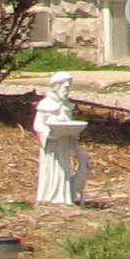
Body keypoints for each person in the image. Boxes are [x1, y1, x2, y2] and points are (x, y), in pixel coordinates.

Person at [33, 70, 90, 206]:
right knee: (51, 169)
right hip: (51, 145)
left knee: (63, 169)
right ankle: (48, 197)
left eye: (68, 88)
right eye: (65, 87)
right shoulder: (46, 104)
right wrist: (48, 133)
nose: (67, 91)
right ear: (57, 86)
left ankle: (63, 197)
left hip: (63, 143)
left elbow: (69, 123)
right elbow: (38, 125)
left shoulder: (66, 105)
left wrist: (73, 134)